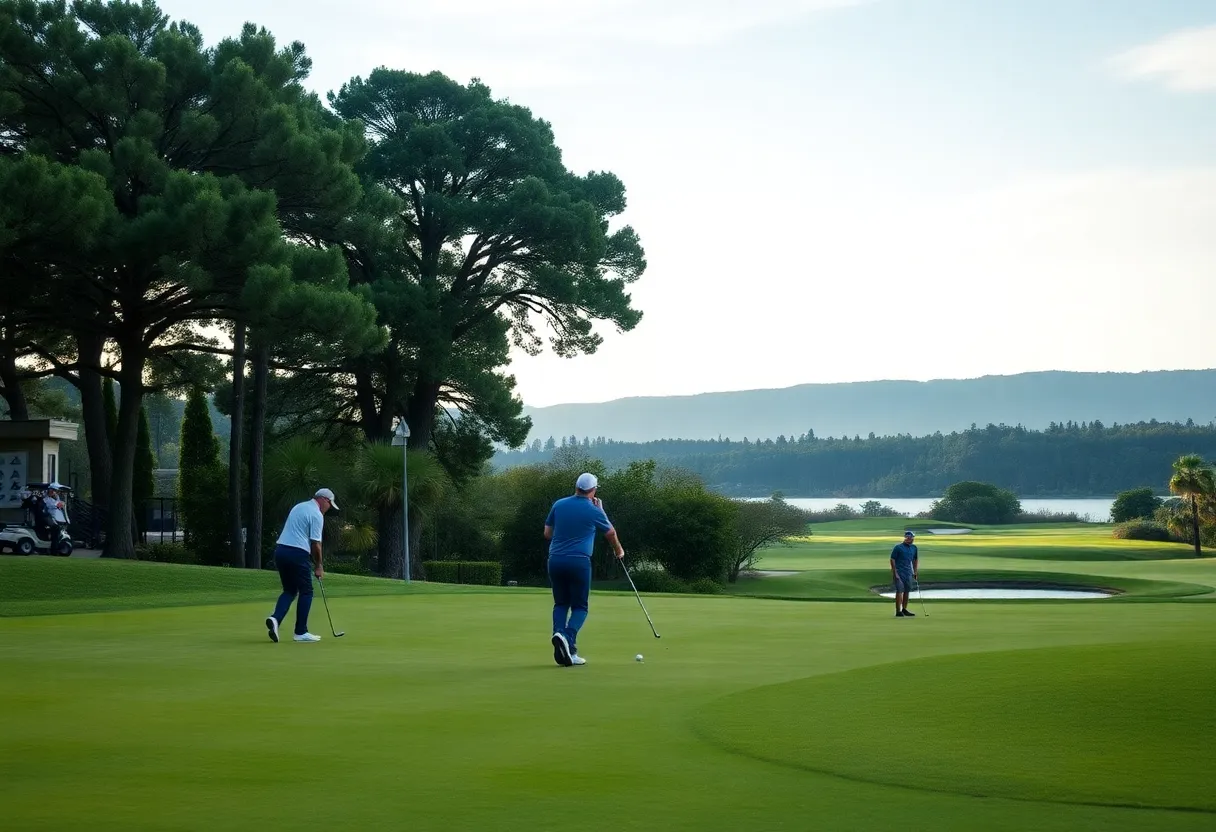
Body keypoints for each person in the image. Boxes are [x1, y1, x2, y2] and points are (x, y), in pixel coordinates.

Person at [544, 472, 625, 666]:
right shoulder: (594, 510)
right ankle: (567, 637)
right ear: (593, 490)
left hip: (555, 560)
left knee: (561, 603)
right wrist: (619, 550)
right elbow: (610, 532)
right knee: (580, 607)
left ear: (577, 487)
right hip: (579, 562)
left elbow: (547, 533)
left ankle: (566, 647)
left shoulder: (559, 504)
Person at [265, 488, 339, 643]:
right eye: (330, 504)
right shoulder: (317, 514)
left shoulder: (299, 506)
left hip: (280, 551)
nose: (329, 508)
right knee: (307, 590)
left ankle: (275, 619)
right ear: (324, 500)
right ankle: (301, 632)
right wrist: (319, 565)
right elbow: (316, 544)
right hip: (297, 553)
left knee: (290, 590)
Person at [889, 530, 919, 618]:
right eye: (909, 537)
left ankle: (904, 609)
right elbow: (892, 559)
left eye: (912, 537)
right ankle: (898, 611)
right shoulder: (898, 547)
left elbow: (915, 560)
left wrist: (915, 571)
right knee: (900, 591)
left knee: (907, 591)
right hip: (899, 572)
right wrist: (895, 572)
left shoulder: (914, 548)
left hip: (908, 572)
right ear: (906, 538)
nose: (911, 539)